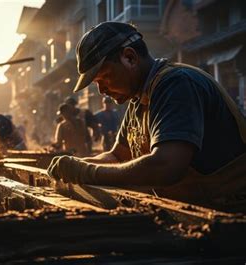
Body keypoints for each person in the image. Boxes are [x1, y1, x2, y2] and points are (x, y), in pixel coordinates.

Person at [47, 22, 246, 211]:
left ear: (130, 58)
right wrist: (79, 165)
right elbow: (117, 157)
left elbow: (167, 166)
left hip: (231, 213)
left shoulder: (177, 84)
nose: (101, 90)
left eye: (104, 77)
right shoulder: (138, 100)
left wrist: (87, 173)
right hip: (198, 210)